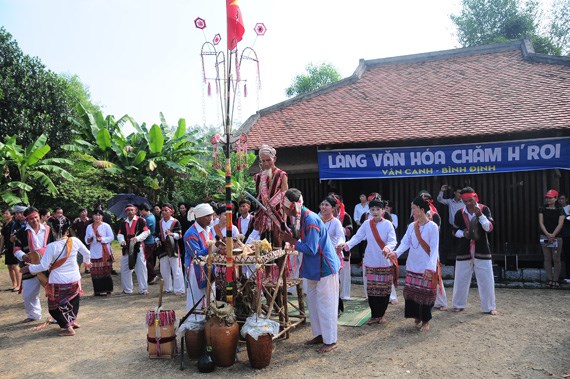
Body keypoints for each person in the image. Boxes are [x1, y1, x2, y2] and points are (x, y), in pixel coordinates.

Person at [278, 188, 341, 353]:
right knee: (313, 304)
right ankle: (321, 335)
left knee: (326, 305)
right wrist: (292, 237)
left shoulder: (310, 219)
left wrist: (291, 241)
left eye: (285, 207)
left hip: (324, 267)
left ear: (292, 207)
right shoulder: (301, 218)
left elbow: (312, 249)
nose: (283, 210)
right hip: (313, 268)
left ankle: (331, 340)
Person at [23, 215, 90, 336]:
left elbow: (43, 266)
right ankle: (72, 321)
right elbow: (87, 253)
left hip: (58, 280)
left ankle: (68, 328)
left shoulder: (52, 246)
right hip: (74, 278)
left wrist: (29, 267)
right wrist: (87, 262)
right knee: (73, 301)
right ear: (68, 230)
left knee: (55, 306)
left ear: (53, 230)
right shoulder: (75, 241)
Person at [386, 196, 440, 332]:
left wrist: (430, 267)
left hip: (426, 264)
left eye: (414, 208)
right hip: (413, 263)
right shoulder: (411, 226)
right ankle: (417, 314)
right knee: (412, 292)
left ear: (422, 210)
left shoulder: (432, 227)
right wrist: (396, 253)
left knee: (426, 294)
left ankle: (426, 320)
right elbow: (405, 242)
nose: (412, 211)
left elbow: (434, 249)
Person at [342, 199, 397, 325]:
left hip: (384, 260)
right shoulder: (367, 224)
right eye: (372, 209)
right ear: (369, 211)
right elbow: (357, 237)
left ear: (383, 210)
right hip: (371, 260)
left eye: (378, 209)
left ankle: (382, 314)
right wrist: (346, 245)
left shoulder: (388, 224)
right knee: (372, 289)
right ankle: (374, 315)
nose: (375, 212)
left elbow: (393, 240)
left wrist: (388, 247)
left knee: (384, 289)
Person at [450, 187, 497, 315]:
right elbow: (454, 231)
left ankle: (489, 307)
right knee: (460, 277)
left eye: (470, 200)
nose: (469, 203)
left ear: (475, 198)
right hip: (464, 249)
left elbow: (489, 228)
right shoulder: (459, 213)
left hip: (481, 248)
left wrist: (480, 216)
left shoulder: (484, 209)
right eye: (465, 201)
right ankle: (458, 304)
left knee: (486, 278)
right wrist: (463, 233)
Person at [14, 206, 54, 322]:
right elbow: (16, 249)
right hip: (30, 265)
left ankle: (57, 316)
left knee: (53, 291)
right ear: (26, 220)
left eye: (36, 217)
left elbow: (55, 245)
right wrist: (23, 256)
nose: (34, 220)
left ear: (39, 217)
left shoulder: (48, 229)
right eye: (31, 219)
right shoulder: (22, 233)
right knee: (28, 294)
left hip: (48, 266)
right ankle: (33, 315)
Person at [250, 144, 288, 243]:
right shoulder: (258, 177)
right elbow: (258, 195)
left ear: (274, 159)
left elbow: (284, 193)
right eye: (263, 161)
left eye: (268, 160)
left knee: (278, 241)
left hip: (277, 213)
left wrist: (270, 204)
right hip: (262, 214)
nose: (266, 163)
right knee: (263, 243)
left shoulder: (282, 175)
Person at [184, 203, 216, 316]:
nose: (210, 218)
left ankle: (208, 322)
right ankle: (194, 323)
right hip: (195, 269)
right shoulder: (190, 234)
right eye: (207, 216)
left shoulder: (210, 229)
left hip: (209, 267)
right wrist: (213, 247)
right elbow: (196, 254)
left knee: (210, 296)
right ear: (199, 218)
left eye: (211, 215)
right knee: (197, 298)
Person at [319, 196, 346, 317]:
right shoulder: (317, 220)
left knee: (333, 283)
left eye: (327, 205)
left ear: (333, 208)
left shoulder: (336, 222)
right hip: (319, 256)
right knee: (321, 283)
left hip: (333, 255)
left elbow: (341, 236)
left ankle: (336, 306)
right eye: (322, 204)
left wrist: (340, 244)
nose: (324, 207)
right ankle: (324, 307)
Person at [117, 204, 150, 295]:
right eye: (128, 210)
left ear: (135, 211)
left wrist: (137, 238)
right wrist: (122, 241)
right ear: (125, 212)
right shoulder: (123, 222)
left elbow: (146, 232)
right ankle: (127, 289)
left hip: (138, 246)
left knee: (141, 268)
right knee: (125, 268)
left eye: (132, 210)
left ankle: (143, 289)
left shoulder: (141, 220)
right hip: (126, 248)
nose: (130, 212)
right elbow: (120, 234)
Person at [538, 189, 565, 288]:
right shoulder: (542, 209)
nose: (548, 199)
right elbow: (541, 223)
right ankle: (549, 278)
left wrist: (553, 235)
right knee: (547, 258)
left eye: (550, 197)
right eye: (547, 197)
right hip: (544, 235)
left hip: (557, 237)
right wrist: (548, 234)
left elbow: (560, 224)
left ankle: (556, 279)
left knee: (556, 258)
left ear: (555, 198)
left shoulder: (560, 210)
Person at [157, 203, 185, 295]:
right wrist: (157, 239)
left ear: (171, 211)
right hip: (162, 248)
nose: (164, 212)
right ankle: (168, 288)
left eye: (166, 210)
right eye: (163, 210)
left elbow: (179, 235)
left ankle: (179, 289)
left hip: (173, 247)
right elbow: (157, 234)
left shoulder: (175, 222)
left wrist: (172, 234)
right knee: (164, 269)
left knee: (176, 269)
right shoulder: (160, 222)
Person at [85, 209, 115, 296]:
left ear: (102, 217)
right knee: (95, 272)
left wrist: (102, 239)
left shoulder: (106, 226)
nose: (97, 217)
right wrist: (89, 240)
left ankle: (107, 289)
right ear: (92, 216)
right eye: (95, 215)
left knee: (105, 270)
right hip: (94, 251)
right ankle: (97, 290)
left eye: (99, 215)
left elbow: (111, 237)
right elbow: (86, 239)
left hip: (104, 251)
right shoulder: (89, 227)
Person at [333, 195, 353, 307]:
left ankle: (345, 294)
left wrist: (338, 227)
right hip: (331, 249)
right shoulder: (324, 216)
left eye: (335, 202)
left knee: (344, 272)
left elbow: (349, 231)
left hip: (343, 247)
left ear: (340, 203)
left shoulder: (345, 216)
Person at [437, 184, 464, 264]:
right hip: (452, 227)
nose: (460, 194)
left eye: (461, 193)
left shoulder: (464, 202)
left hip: (462, 227)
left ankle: (461, 263)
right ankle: (442, 262)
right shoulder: (450, 201)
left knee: (461, 245)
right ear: (455, 193)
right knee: (446, 245)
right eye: (459, 192)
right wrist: (442, 191)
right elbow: (439, 199)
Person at [1, 208, 20, 292]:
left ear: (11, 215)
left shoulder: (14, 224)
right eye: (5, 213)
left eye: (7, 213)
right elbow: (3, 238)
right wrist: (1, 248)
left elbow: (16, 236)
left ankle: (19, 285)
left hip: (13, 247)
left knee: (15, 266)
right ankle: (14, 284)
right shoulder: (4, 225)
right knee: (9, 266)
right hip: (7, 247)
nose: (5, 215)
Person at [139, 204, 159, 285]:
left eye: (140, 211)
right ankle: (150, 276)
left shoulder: (148, 218)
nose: (140, 212)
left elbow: (144, 229)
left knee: (145, 260)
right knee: (149, 260)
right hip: (149, 241)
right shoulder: (150, 216)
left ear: (144, 209)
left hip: (148, 241)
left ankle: (152, 276)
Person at [72, 208, 91, 273]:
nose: (83, 213)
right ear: (79, 214)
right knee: (79, 255)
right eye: (82, 212)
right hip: (79, 240)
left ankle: (87, 268)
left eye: (85, 211)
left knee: (87, 254)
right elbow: (72, 229)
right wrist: (75, 237)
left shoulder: (90, 221)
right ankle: (78, 268)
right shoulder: (77, 221)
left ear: (87, 212)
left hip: (88, 241)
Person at [558, 194, 570, 283]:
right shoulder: (558, 209)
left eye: (562, 199)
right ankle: (567, 275)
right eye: (559, 199)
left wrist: (565, 217)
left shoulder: (568, 208)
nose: (560, 200)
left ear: (566, 199)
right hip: (562, 235)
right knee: (565, 255)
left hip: (568, 234)